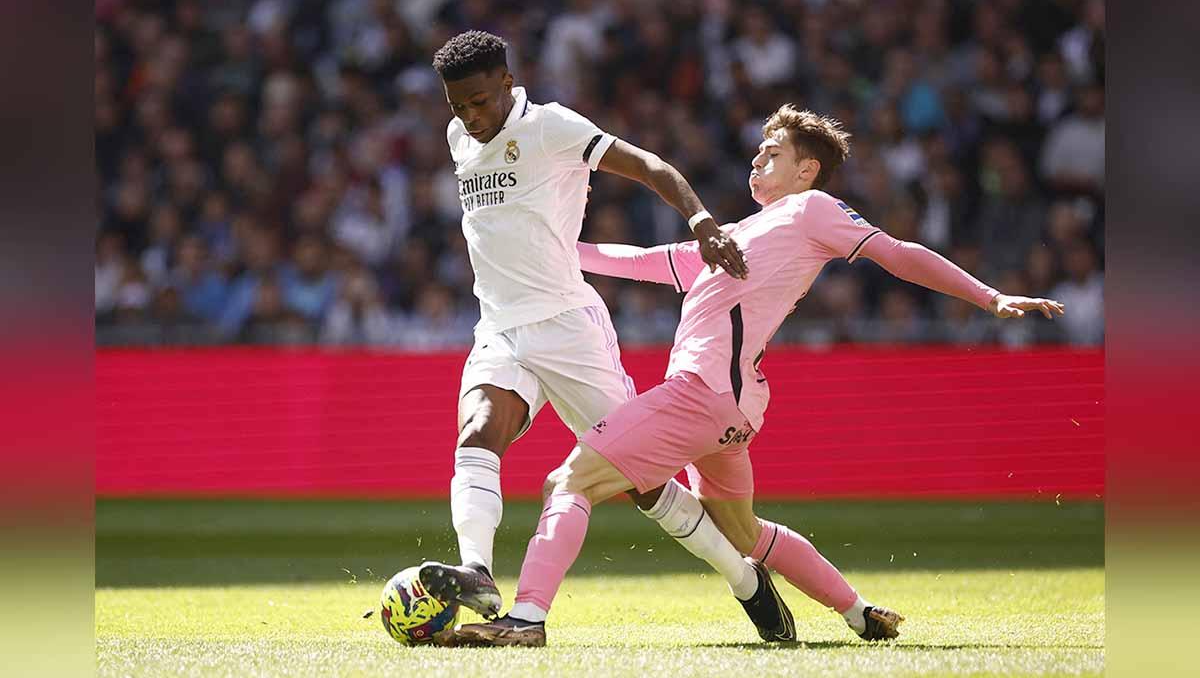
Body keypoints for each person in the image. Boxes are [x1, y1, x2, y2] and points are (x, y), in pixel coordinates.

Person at [439, 105, 1065, 647]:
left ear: (807, 170)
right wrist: (538, 250)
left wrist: (989, 298)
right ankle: (856, 612)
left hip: (698, 397)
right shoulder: (736, 235)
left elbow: (896, 253)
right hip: (731, 416)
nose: (758, 160)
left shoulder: (812, 211)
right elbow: (646, 262)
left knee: (567, 481)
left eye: (773, 152)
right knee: (746, 533)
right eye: (759, 151)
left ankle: (527, 618)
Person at [416, 31, 797, 642]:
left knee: (645, 485)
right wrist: (463, 120)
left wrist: (699, 220)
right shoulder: (460, 137)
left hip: (569, 328)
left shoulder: (551, 127)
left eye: (481, 101)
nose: (471, 116)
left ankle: (745, 578)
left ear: (509, 84)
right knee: (477, 429)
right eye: (458, 105)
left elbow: (650, 166)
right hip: (499, 325)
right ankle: (477, 571)